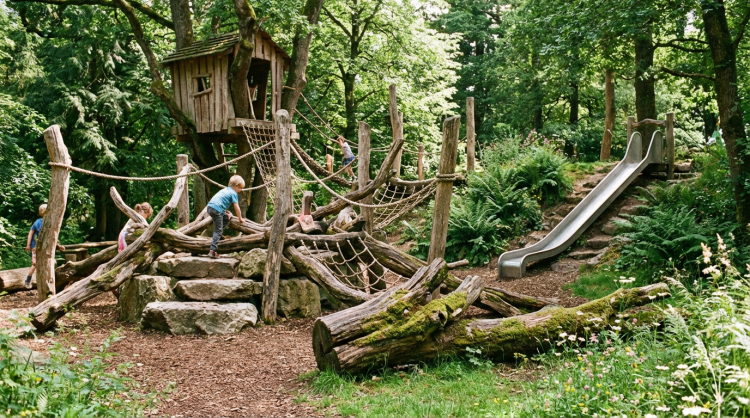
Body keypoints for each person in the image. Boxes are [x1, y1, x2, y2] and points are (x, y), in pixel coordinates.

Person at [24, 204, 65, 289]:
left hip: (46, 247)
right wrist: (28, 245)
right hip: (36, 247)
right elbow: (30, 233)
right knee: (35, 264)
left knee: (50, 261)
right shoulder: (38, 222)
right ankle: (28, 280)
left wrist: (58, 246)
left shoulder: (50, 222)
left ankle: (50, 280)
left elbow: (52, 237)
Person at [206, 175, 245, 258]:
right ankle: (212, 251)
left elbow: (219, 201)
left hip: (210, 207)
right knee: (218, 231)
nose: (240, 190)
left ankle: (217, 234)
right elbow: (237, 207)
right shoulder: (233, 193)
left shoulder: (225, 190)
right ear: (236, 186)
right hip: (217, 209)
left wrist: (225, 213)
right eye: (240, 188)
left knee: (227, 217)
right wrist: (240, 219)